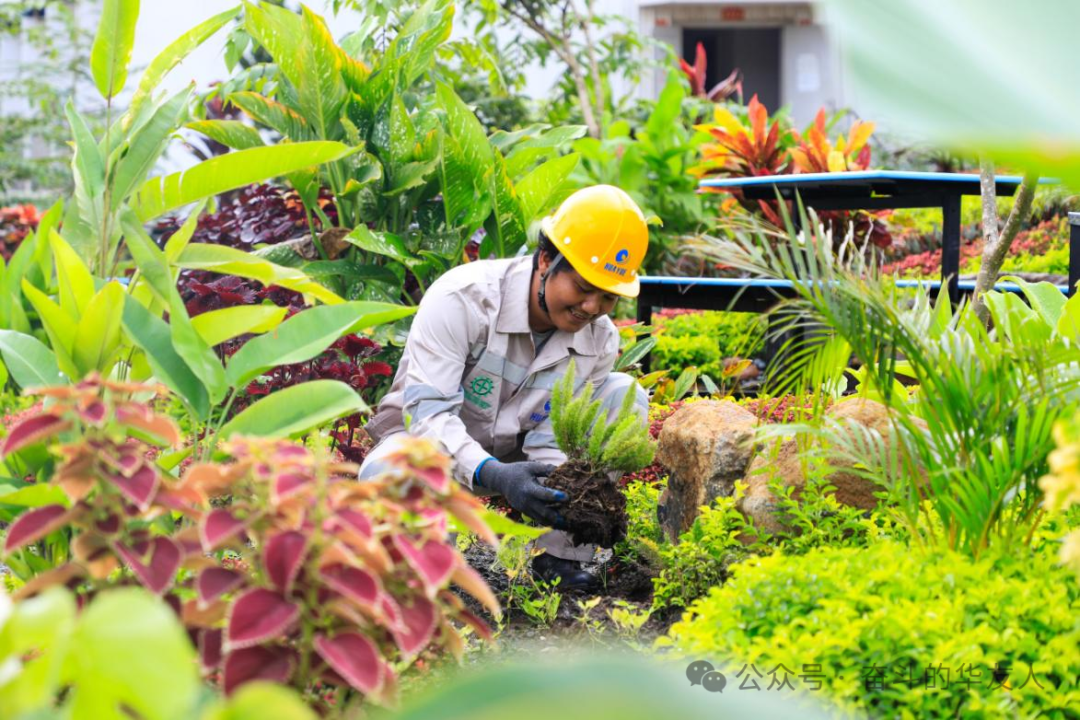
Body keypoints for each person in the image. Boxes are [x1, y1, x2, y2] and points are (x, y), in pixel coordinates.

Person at [359, 185, 650, 590]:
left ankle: (560, 557)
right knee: (387, 471)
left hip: (518, 456)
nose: (592, 308)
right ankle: (424, 572)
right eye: (583, 288)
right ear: (546, 260)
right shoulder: (463, 299)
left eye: (608, 297)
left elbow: (558, 435)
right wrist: (493, 474)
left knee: (623, 395)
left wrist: (555, 495)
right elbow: (427, 414)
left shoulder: (598, 340)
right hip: (428, 448)